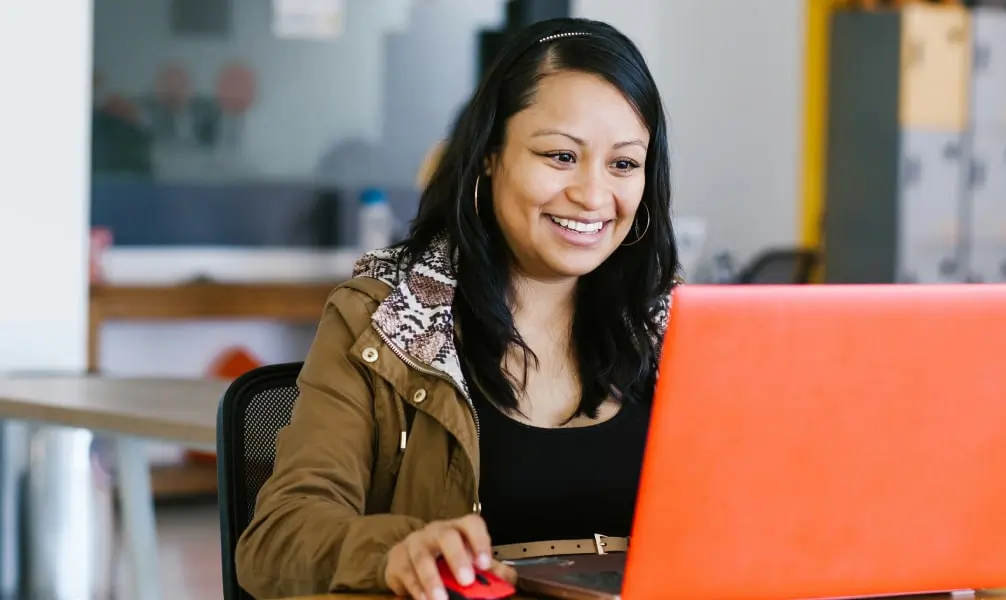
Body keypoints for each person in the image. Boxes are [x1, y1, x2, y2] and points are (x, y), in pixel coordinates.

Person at [235, 17, 679, 600]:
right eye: (561, 156)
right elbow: (276, 539)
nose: (595, 196)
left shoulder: (673, 331)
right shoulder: (386, 317)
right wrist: (394, 553)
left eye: (623, 164)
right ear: (490, 156)